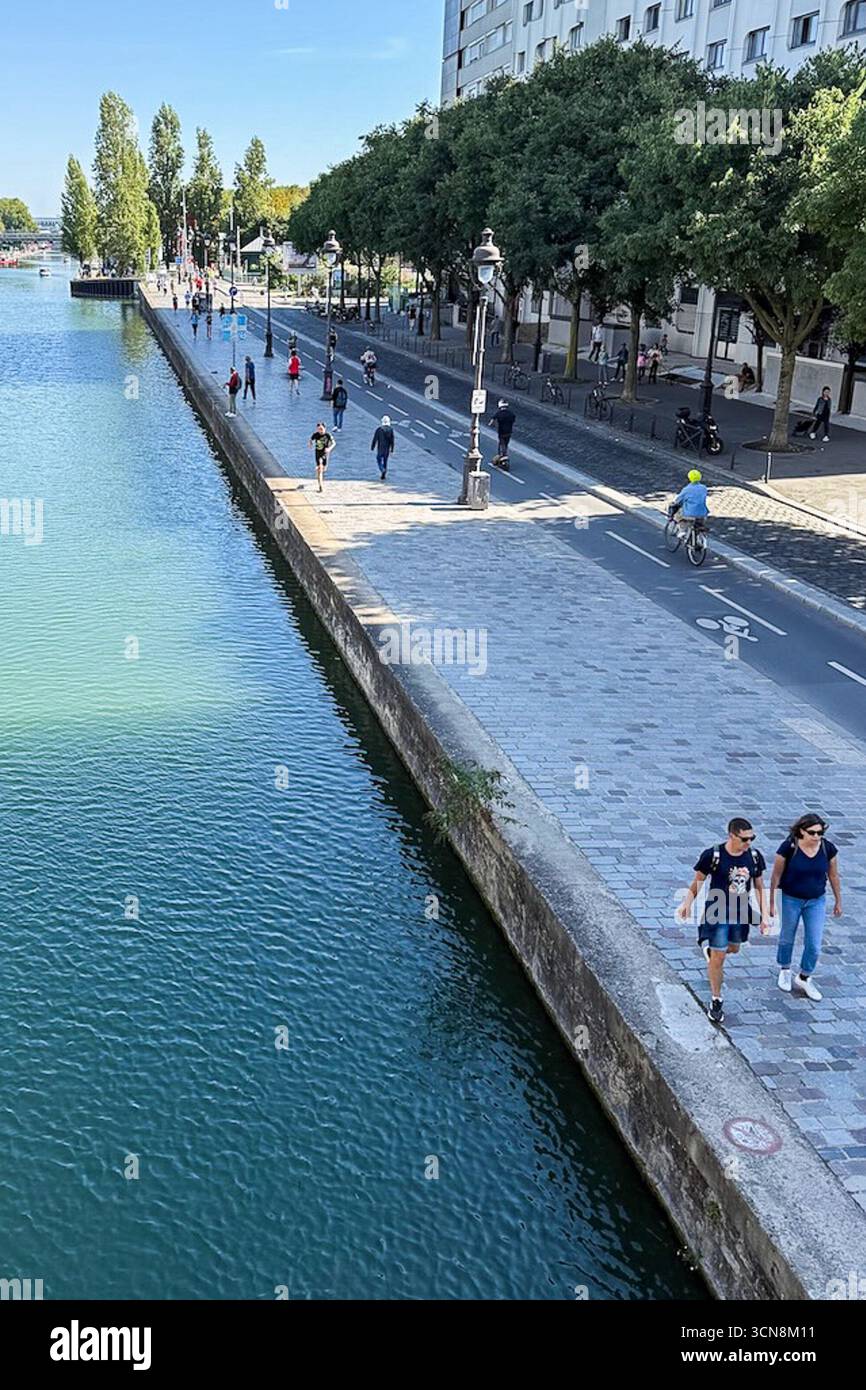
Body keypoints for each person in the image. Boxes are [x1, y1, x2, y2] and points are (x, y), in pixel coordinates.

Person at [678, 818, 770, 1024]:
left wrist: (764, 916)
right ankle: (716, 999)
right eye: (745, 839)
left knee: (733, 949)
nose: (749, 843)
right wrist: (687, 904)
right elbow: (698, 881)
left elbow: (759, 886)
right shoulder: (713, 855)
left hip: (740, 913)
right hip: (717, 912)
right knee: (719, 958)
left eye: (752, 838)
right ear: (732, 835)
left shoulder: (754, 857)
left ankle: (711, 952)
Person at [769, 815, 842, 1001]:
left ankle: (804, 976)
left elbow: (833, 876)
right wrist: (770, 902)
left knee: (814, 943)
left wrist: (838, 900)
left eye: (820, 832)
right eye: (812, 832)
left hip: (816, 900)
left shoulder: (827, 848)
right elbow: (776, 876)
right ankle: (785, 969)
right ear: (802, 830)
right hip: (790, 898)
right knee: (787, 936)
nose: (817, 836)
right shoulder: (789, 847)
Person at [669, 469, 710, 536]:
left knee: (677, 516)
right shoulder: (704, 488)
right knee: (699, 523)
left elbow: (678, 500)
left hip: (690, 513)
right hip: (703, 513)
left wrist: (674, 503)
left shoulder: (686, 489)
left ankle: (682, 531)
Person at [309, 422, 336, 492]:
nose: (320, 431)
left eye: (321, 429)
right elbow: (310, 440)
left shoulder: (328, 435)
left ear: (325, 428)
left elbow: (334, 443)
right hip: (318, 453)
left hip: (325, 453)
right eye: (318, 429)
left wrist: (329, 449)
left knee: (324, 468)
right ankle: (320, 486)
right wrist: (310, 444)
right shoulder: (315, 435)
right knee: (320, 469)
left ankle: (319, 470)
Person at [371, 416, 395, 480]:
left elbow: (375, 439)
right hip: (387, 448)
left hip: (380, 447)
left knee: (378, 459)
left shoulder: (379, 429)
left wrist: (372, 446)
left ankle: (382, 469)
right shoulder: (391, 430)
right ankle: (383, 475)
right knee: (385, 461)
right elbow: (392, 440)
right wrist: (392, 449)